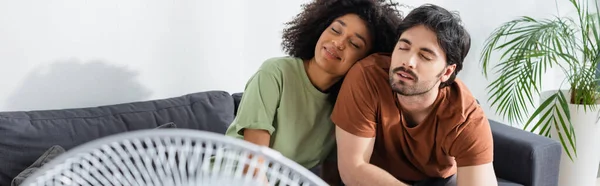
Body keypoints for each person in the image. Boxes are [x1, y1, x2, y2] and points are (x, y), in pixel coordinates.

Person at [224, 0, 403, 183]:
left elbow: (331, 177)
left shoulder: (345, 106)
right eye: (335, 30)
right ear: (321, 28)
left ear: (365, 61)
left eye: (355, 44)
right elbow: (253, 168)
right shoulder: (275, 73)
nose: (339, 43)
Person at [331, 4, 498, 186]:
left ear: (447, 72)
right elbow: (353, 169)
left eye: (425, 56)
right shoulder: (368, 77)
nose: (408, 62)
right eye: (403, 47)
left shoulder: (466, 119)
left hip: (438, 181)